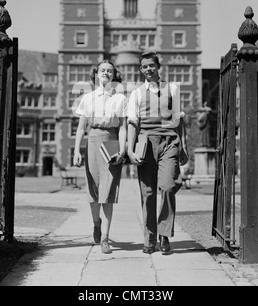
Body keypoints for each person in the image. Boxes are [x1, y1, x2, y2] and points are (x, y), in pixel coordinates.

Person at [127, 51, 188, 254]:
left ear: (158, 66)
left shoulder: (172, 89)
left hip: (169, 142)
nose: (148, 69)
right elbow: (133, 124)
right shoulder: (136, 93)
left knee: (168, 187)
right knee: (148, 193)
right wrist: (129, 149)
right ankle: (150, 238)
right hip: (146, 144)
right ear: (141, 70)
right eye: (144, 67)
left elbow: (179, 121)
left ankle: (164, 234)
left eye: (151, 65)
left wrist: (184, 147)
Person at [73, 60, 127, 254]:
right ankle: (96, 223)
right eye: (103, 70)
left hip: (111, 142)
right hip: (93, 140)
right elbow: (81, 128)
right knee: (94, 190)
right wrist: (76, 150)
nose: (106, 73)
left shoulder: (120, 99)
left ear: (114, 75)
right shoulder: (87, 98)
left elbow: (122, 127)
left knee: (109, 192)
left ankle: (105, 238)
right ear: (96, 73)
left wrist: (122, 149)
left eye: (110, 71)